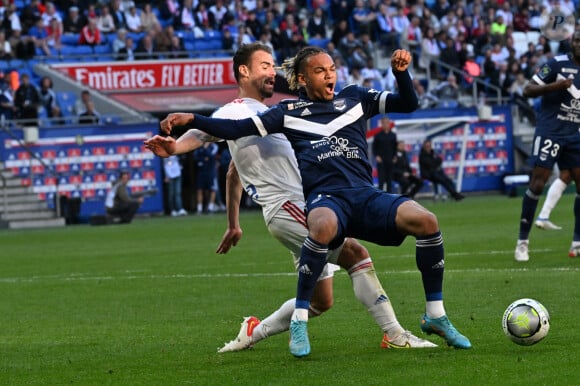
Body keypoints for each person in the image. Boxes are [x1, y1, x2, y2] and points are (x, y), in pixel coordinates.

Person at [157, 46, 472, 356]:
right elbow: (215, 132)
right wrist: (181, 138)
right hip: (290, 204)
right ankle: (395, 333)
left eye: (274, 64)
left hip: (312, 202)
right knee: (354, 253)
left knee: (323, 300)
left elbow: (233, 171)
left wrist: (233, 223)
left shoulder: (295, 107)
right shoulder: (238, 110)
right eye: (266, 65)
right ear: (245, 71)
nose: (273, 71)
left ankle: (256, 330)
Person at [515, 31, 580, 261]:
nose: (577, 44)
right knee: (538, 182)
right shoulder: (556, 64)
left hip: (575, 134)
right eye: (576, 40)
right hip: (551, 131)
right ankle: (522, 242)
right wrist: (556, 86)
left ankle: (577, 241)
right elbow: (528, 89)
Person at [371, 115, 397, 193]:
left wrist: (395, 157)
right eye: (384, 123)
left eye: (387, 123)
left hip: (390, 160)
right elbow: (374, 148)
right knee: (381, 180)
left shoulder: (393, 135)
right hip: (381, 161)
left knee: (389, 179)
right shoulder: (378, 136)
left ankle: (390, 196)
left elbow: (395, 147)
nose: (385, 124)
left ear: (389, 123)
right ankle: (380, 196)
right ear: (381, 124)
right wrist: (377, 156)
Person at [193, 142, 219, 214]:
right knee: (199, 190)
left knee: (212, 190)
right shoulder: (198, 145)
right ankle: (199, 209)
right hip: (201, 172)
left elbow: (211, 155)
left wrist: (204, 149)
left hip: (211, 172)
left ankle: (210, 208)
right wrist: (204, 158)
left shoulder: (214, 146)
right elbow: (196, 157)